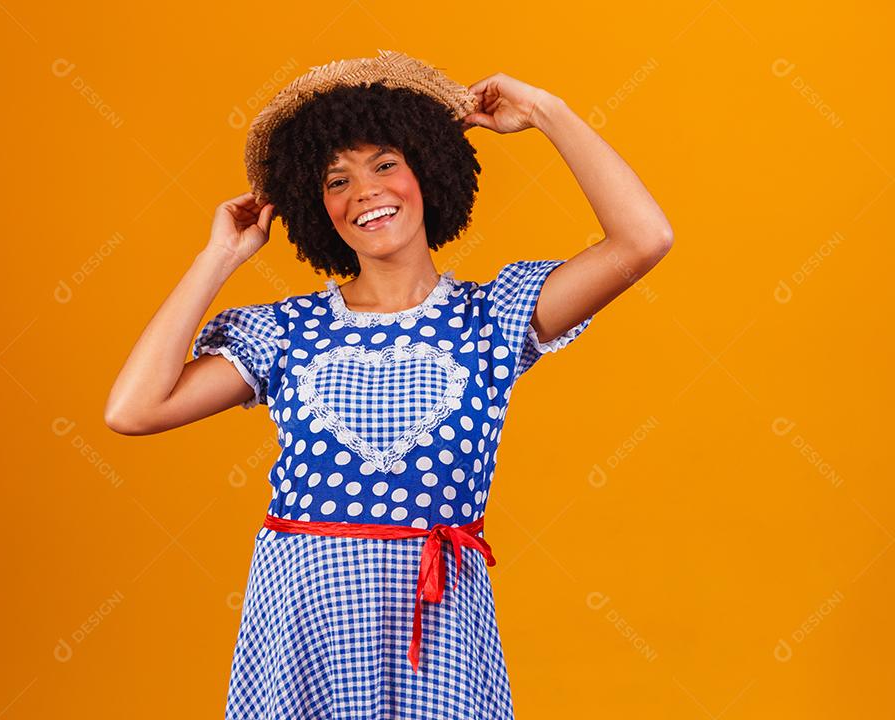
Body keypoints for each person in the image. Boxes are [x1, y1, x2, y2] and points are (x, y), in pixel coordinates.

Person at [104, 50, 672, 719]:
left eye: (383, 164)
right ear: (317, 209)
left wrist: (547, 112)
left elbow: (644, 239)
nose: (364, 190)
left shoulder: (492, 318)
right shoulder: (285, 332)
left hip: (436, 626)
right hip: (301, 630)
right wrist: (216, 259)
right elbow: (133, 409)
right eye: (335, 180)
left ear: (427, 173)